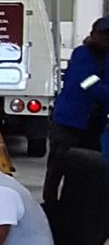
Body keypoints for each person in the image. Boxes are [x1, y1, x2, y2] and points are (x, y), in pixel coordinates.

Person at [44, 14, 109, 211]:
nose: (106, 39)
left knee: (87, 165)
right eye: (103, 34)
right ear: (93, 34)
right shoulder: (82, 54)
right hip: (69, 121)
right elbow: (86, 83)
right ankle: (50, 203)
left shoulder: (106, 57)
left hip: (92, 124)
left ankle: (75, 203)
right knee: (59, 163)